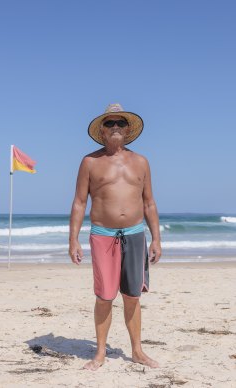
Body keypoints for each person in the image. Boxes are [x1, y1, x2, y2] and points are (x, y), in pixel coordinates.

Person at [69, 103, 162, 371]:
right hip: (103, 236)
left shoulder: (141, 162)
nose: (115, 127)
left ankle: (137, 351)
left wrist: (156, 239)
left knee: (132, 296)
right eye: (110, 123)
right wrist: (73, 240)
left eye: (120, 123)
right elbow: (78, 203)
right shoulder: (90, 162)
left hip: (134, 235)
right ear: (102, 130)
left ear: (128, 128)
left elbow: (149, 204)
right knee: (105, 297)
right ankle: (100, 353)